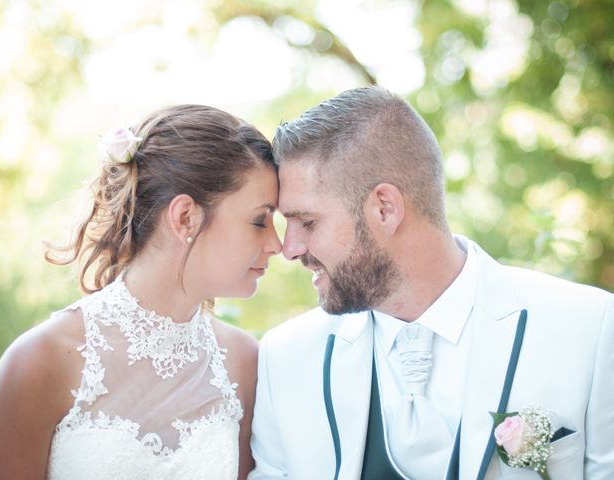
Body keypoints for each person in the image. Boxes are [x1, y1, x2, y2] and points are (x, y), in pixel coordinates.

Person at [249, 86, 614, 479]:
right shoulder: (285, 359)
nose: (289, 248)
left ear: (384, 209)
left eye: (307, 222)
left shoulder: (590, 329)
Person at [0, 104, 282, 479]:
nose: (277, 244)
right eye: (259, 220)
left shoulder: (244, 361)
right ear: (185, 216)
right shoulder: (42, 360)